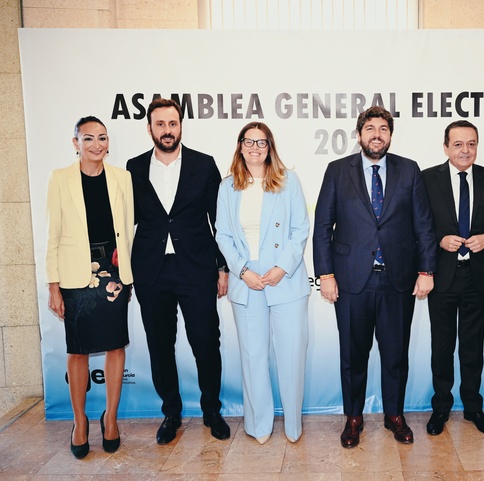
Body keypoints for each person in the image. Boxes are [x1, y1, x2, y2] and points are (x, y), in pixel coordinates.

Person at [313, 106, 436, 448]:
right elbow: (323, 226)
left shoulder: (409, 170)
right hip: (352, 281)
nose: (377, 134)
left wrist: (427, 270)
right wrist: (325, 274)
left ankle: (394, 415)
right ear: (359, 135)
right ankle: (354, 418)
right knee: (353, 355)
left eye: (383, 128)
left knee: (395, 354)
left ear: (390, 135)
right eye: (370, 128)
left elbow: (423, 225)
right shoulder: (338, 170)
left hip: (398, 280)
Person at [126, 98, 231, 444]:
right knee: (160, 345)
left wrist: (223, 266)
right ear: (150, 128)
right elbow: (126, 223)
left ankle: (211, 411)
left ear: (180, 125)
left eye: (172, 123)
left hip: (196, 268)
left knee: (205, 342)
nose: (167, 130)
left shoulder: (203, 164)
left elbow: (220, 221)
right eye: (160, 124)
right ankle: (171, 412)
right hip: (151, 272)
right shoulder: (134, 168)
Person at [215, 122, 310, 445]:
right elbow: (223, 235)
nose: (255, 148)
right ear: (240, 146)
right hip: (247, 280)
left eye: (262, 142)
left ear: (271, 147)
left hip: (285, 278)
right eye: (249, 142)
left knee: (291, 355)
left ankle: (294, 426)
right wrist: (241, 270)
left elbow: (300, 230)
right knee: (253, 356)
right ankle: (258, 425)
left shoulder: (288, 181)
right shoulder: (227, 187)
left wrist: (282, 267)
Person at [46, 116, 134, 458]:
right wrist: (53, 285)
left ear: (108, 142)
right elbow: (53, 235)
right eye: (88, 138)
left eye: (102, 138)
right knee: (78, 349)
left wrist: (128, 275)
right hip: (75, 275)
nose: (96, 144)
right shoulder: (60, 179)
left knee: (115, 346)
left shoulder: (122, 178)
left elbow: (127, 229)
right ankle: (79, 422)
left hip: (113, 270)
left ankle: (110, 419)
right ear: (76, 143)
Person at [421, 120, 484, 436]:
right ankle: (440, 409)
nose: (465, 150)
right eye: (458, 144)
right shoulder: (428, 179)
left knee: (472, 347)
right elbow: (418, 224)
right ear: (446, 147)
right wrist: (439, 241)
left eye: (471, 143)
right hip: (442, 277)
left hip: (477, 277)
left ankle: (473, 408)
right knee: (442, 348)